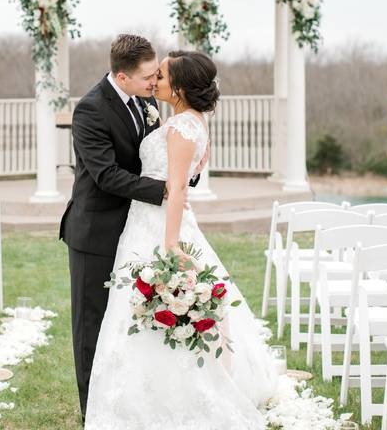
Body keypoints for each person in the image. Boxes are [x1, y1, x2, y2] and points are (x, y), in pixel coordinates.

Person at [84, 49, 277, 430]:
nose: (155, 80)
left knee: (146, 307)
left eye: (163, 75)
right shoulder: (189, 121)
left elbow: (174, 190)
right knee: (138, 310)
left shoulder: (181, 127)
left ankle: (170, 397)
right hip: (145, 219)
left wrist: (170, 244)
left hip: (158, 226)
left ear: (181, 88)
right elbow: (183, 179)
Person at [60, 34, 203, 422]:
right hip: (96, 231)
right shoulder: (90, 110)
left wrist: (185, 176)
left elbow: (156, 157)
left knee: (128, 321)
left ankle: (129, 402)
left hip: (136, 229)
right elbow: (106, 175)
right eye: (147, 78)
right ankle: (93, 411)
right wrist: (167, 190)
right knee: (92, 324)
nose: (154, 83)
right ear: (121, 77)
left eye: (157, 75)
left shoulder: (144, 101)